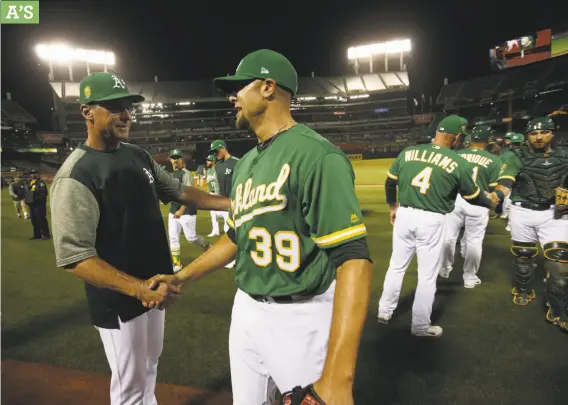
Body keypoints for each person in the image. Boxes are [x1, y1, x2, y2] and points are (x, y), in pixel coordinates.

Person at [147, 49, 373, 405]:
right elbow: (237, 236)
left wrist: (339, 377)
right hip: (247, 309)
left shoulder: (317, 155)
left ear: (269, 87)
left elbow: (354, 260)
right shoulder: (247, 162)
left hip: (301, 314)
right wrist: (181, 277)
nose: (231, 96)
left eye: (240, 86)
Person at [49, 72, 230, 405]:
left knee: (149, 371)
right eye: (115, 107)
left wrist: (234, 203)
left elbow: (180, 191)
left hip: (155, 289)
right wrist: (137, 289)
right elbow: (74, 257)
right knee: (130, 388)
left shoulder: (137, 155)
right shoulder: (77, 174)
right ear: (87, 112)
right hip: (120, 299)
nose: (126, 114)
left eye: (128, 107)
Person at [378, 115, 497, 337]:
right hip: (432, 220)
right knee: (427, 275)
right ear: (458, 136)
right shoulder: (458, 161)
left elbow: (389, 182)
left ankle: (384, 311)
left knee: (396, 266)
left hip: (404, 215)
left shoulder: (408, 152)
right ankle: (420, 326)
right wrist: (490, 200)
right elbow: (472, 196)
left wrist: (393, 206)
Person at [490, 117, 568, 332]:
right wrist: (498, 194)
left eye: (544, 132)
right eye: (534, 133)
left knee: (560, 265)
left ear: (553, 133)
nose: (539, 137)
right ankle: (524, 289)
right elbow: (507, 179)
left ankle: (558, 308)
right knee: (524, 255)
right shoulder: (516, 156)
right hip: (522, 211)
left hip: (556, 214)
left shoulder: (565, 155)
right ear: (527, 136)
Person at [440, 125, 502, 288]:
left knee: (448, 237)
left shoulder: (456, 155)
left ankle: (444, 268)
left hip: (456, 200)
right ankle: (469, 277)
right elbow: (493, 187)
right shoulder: (494, 160)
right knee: (474, 240)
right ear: (488, 140)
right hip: (479, 201)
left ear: (470, 139)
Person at [168, 149, 211, 272]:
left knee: (191, 237)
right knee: (173, 237)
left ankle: (207, 245)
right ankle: (176, 264)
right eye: (173, 158)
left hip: (186, 211)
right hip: (173, 210)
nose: (175, 160)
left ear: (182, 159)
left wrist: (181, 210)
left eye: (178, 158)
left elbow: (189, 195)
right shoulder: (173, 175)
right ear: (170, 160)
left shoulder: (186, 174)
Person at [208, 139, 238, 267]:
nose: (215, 154)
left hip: (235, 202)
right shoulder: (218, 165)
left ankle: (234, 259)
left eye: (216, 151)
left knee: (232, 231)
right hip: (223, 203)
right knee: (230, 232)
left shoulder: (237, 162)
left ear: (223, 148)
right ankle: (234, 258)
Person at [499, 133, 524, 227]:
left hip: (518, 179)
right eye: (515, 144)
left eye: (518, 144)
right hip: (510, 178)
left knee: (512, 201)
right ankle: (509, 221)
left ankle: (508, 218)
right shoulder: (506, 154)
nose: (517, 146)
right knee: (509, 200)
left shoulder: (526, 153)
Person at [25, 169, 50, 240]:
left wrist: (34, 200)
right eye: (31, 173)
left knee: (41, 219)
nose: (32, 175)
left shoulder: (40, 182)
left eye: (34, 173)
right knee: (34, 220)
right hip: (32, 205)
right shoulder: (30, 182)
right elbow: (28, 194)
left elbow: (43, 194)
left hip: (39, 205)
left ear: (38, 174)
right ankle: (37, 235)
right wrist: (27, 200)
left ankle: (46, 235)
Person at [205, 154, 226, 237]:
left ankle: (227, 230)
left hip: (219, 194)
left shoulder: (218, 170)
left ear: (213, 161)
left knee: (225, 213)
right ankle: (215, 230)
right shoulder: (208, 171)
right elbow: (209, 184)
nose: (207, 162)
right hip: (212, 194)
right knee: (213, 214)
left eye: (209, 160)